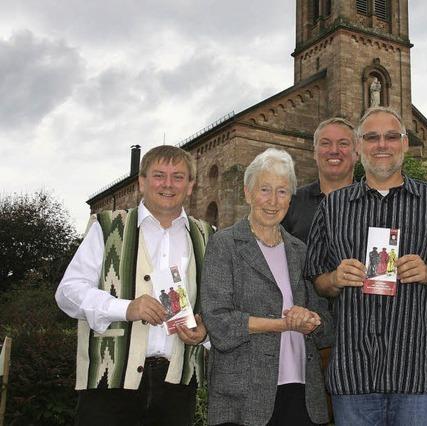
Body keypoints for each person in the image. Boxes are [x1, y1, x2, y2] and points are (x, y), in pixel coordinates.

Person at [305, 106, 427, 425]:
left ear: (405, 144)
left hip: (417, 372)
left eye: (392, 136)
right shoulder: (333, 208)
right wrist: (335, 279)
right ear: (359, 146)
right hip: (354, 373)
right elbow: (316, 279)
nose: (382, 144)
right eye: (372, 137)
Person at [55, 145, 214, 425]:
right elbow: (68, 292)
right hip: (110, 383)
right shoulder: (107, 226)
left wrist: (206, 333)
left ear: (191, 186)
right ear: (141, 182)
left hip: (177, 387)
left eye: (178, 177)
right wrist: (126, 308)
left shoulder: (208, 237)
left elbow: (220, 304)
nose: (168, 184)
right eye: (158, 175)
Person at [202, 148, 333, 426]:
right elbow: (219, 323)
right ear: (248, 193)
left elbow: (326, 328)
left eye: (283, 192)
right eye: (265, 189)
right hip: (245, 396)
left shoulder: (300, 250)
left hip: (301, 393)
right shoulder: (224, 245)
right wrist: (282, 324)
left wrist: (312, 319)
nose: (273, 201)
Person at [281, 117, 358, 242]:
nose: (334, 150)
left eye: (343, 143)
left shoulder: (374, 203)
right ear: (314, 153)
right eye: (325, 143)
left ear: (357, 153)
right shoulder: (290, 202)